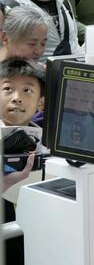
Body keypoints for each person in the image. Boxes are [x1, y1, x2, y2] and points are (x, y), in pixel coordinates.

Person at [0, 59, 44, 191]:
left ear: (40, 102)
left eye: (27, 90)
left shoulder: (49, 147)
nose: (17, 98)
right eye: (8, 89)